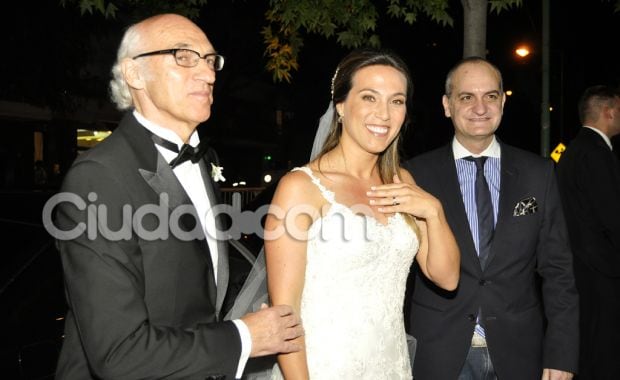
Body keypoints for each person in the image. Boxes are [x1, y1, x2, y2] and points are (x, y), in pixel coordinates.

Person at [53, 14, 302, 379]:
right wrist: (246, 336)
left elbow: (192, 291)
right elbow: (119, 353)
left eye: (209, 60)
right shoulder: (99, 178)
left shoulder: (204, 160)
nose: (208, 73)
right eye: (183, 56)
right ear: (134, 74)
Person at [264, 49, 460, 379]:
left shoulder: (402, 181)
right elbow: (285, 315)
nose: (383, 113)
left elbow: (447, 277)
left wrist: (433, 211)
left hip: (390, 365)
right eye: (369, 97)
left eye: (396, 101)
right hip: (323, 366)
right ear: (340, 105)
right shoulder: (301, 187)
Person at [404, 57, 579, 380]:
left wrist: (562, 353)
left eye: (491, 96)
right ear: (447, 105)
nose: (480, 107)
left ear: (503, 102)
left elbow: (559, 271)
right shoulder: (415, 175)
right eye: (466, 97)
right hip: (440, 352)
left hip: (521, 352)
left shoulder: (537, 173)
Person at [556, 85, 620, 379]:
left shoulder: (571, 151)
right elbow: (611, 216)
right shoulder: (596, 153)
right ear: (609, 112)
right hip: (601, 271)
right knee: (603, 352)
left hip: (578, 268)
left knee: (588, 348)